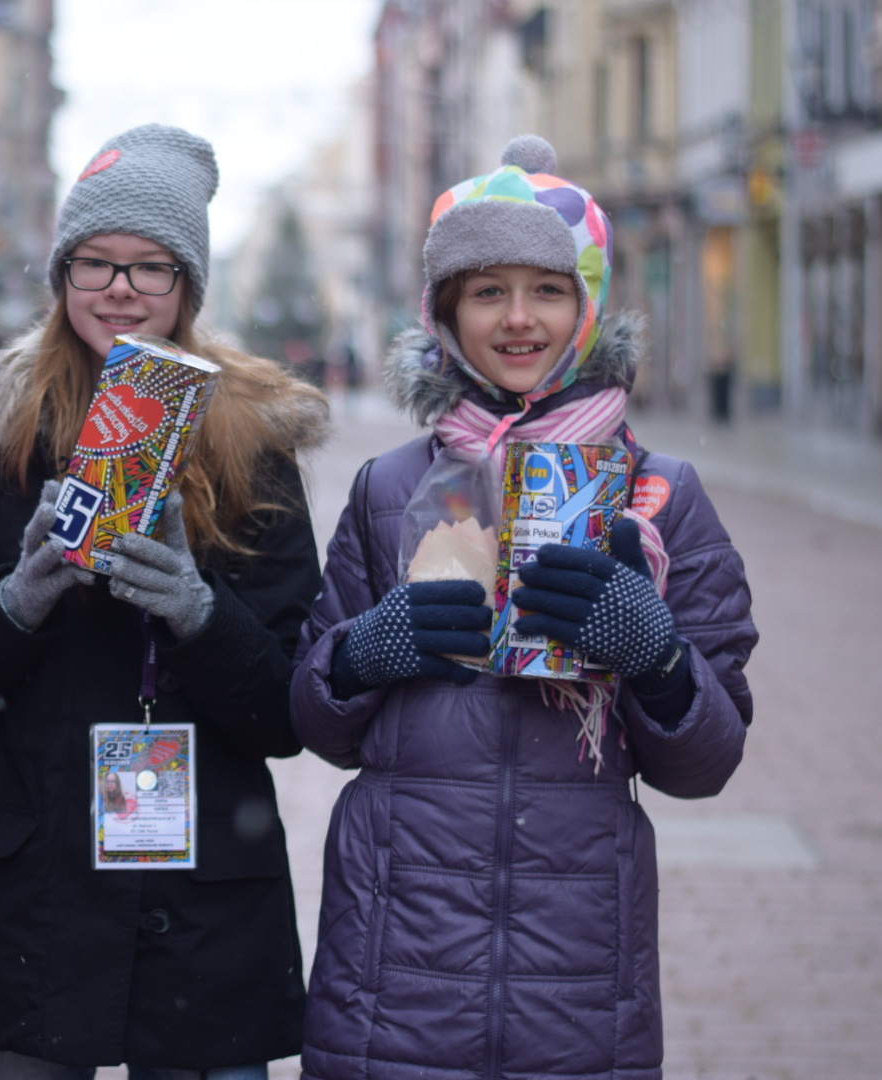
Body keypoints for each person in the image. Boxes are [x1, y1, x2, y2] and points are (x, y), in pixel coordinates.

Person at [289, 135, 757, 1080]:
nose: (517, 319)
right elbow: (313, 717)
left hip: (578, 959)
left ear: (586, 307)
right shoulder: (390, 488)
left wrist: (654, 655)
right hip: (395, 955)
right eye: (486, 290)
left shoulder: (659, 493)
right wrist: (362, 653)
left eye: (547, 289)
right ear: (445, 310)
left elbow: (706, 759)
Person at [0, 123, 330, 1080]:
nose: (121, 288)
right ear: (62, 276)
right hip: (24, 886)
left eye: (152, 267)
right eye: (95, 263)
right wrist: (20, 597)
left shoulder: (253, 450)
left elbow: (288, 708)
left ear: (188, 288)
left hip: (199, 886)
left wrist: (197, 612)